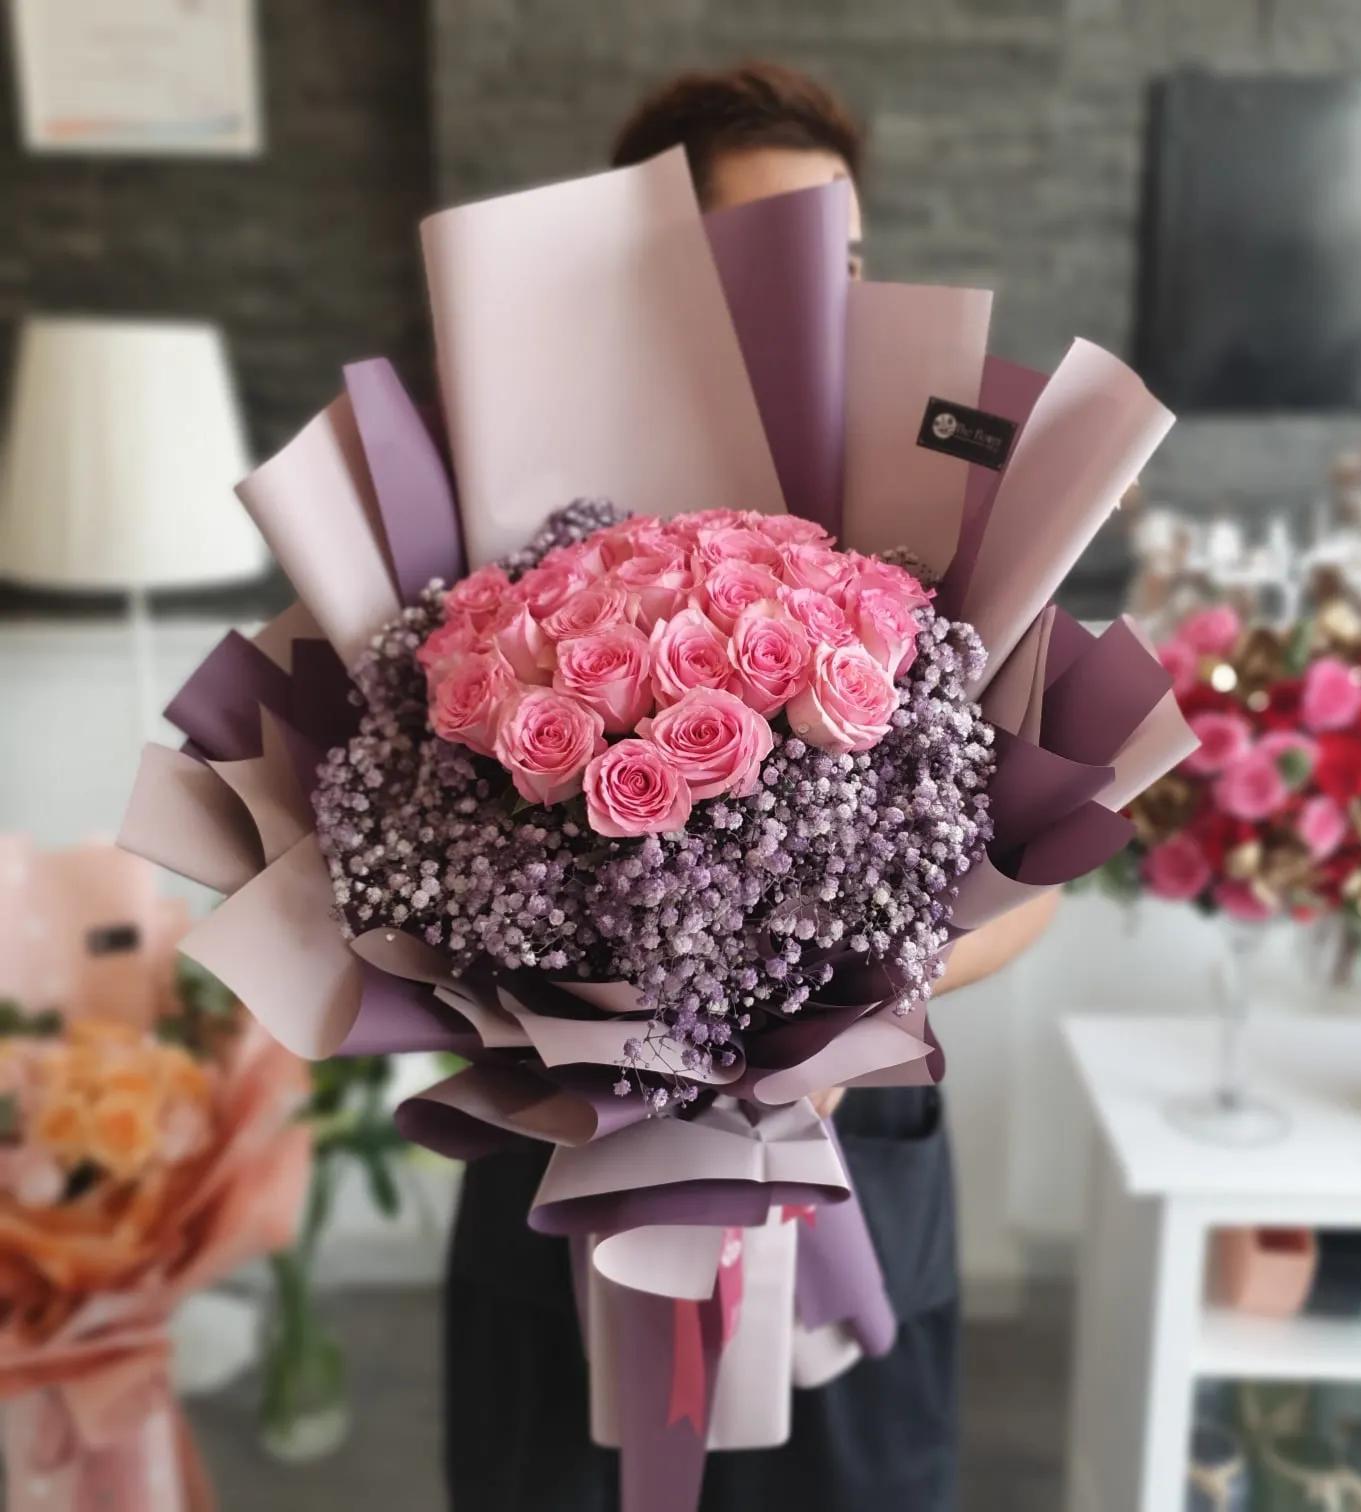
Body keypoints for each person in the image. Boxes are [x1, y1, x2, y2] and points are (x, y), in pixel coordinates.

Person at [444, 61, 1060, 1512]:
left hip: (856, 1167)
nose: (825, 296)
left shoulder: (951, 519)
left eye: (844, 258)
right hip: (573, 1190)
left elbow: (1048, 878)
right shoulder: (513, 524)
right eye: (770, 257)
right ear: (662, 274)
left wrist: (812, 1025)